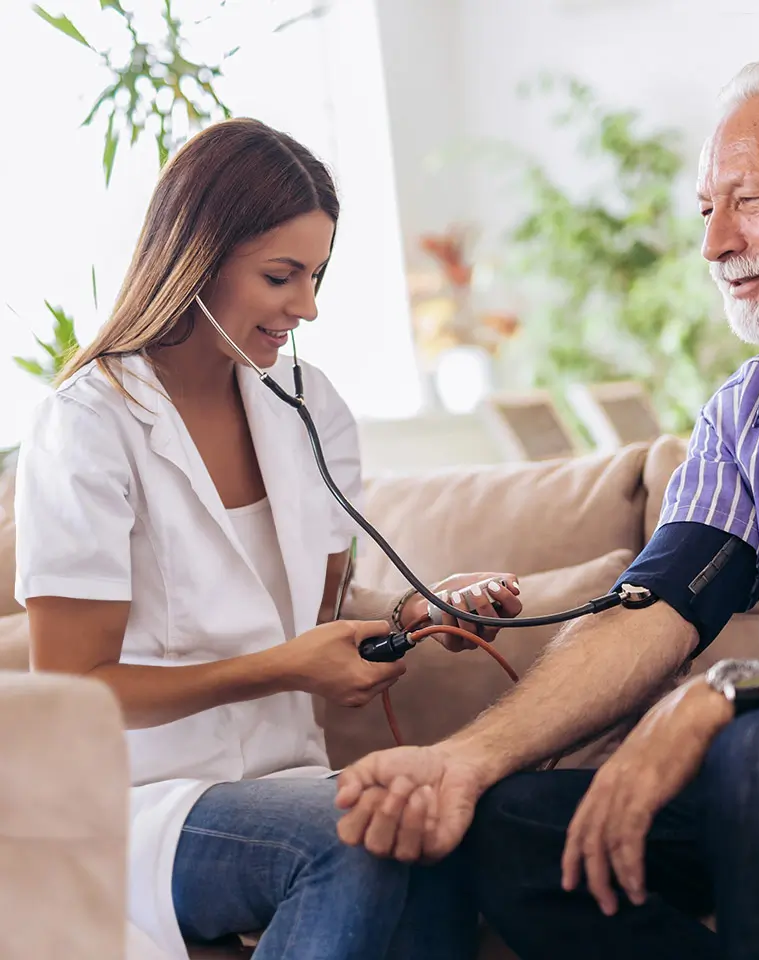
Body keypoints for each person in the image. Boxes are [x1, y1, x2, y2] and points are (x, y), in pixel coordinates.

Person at [332, 53, 759, 959]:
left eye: (750, 201)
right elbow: (652, 611)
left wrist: (739, 696)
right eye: (707, 209)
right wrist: (465, 759)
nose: (713, 244)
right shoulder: (745, 414)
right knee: (515, 828)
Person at [13, 117, 523, 960]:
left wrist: (423, 609)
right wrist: (284, 667)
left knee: (428, 825)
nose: (308, 307)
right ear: (196, 258)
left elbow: (321, 611)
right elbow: (72, 692)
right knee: (354, 837)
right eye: (281, 276)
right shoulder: (88, 426)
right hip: (140, 802)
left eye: (317, 276)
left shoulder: (307, 404)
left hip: (287, 782)